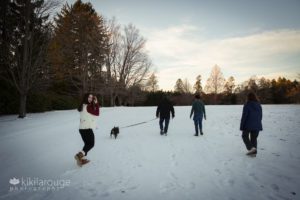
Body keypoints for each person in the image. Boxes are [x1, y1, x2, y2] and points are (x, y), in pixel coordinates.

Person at [75, 93, 100, 166]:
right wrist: (97, 103)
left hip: (82, 129)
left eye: (92, 98)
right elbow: (97, 113)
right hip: (86, 129)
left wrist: (94, 104)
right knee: (91, 144)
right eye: (89, 97)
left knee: (87, 144)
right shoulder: (88, 107)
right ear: (86, 97)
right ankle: (79, 155)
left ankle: (81, 160)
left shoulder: (83, 105)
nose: (90, 99)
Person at [240, 92, 263, 157]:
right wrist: (258, 123)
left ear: (248, 98)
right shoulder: (259, 105)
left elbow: (244, 116)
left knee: (244, 136)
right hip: (257, 124)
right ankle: (253, 154)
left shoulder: (247, 105)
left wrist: (242, 126)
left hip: (248, 124)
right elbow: (261, 116)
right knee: (254, 138)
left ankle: (251, 149)